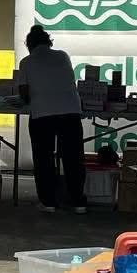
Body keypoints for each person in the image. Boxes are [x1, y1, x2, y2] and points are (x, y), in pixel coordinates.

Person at [18, 24, 87, 213]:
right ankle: (78, 202)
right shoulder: (63, 56)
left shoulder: (26, 62)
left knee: (44, 158)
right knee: (73, 157)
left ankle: (48, 202)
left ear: (29, 45)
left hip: (42, 113)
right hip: (70, 111)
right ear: (48, 42)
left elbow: (24, 94)